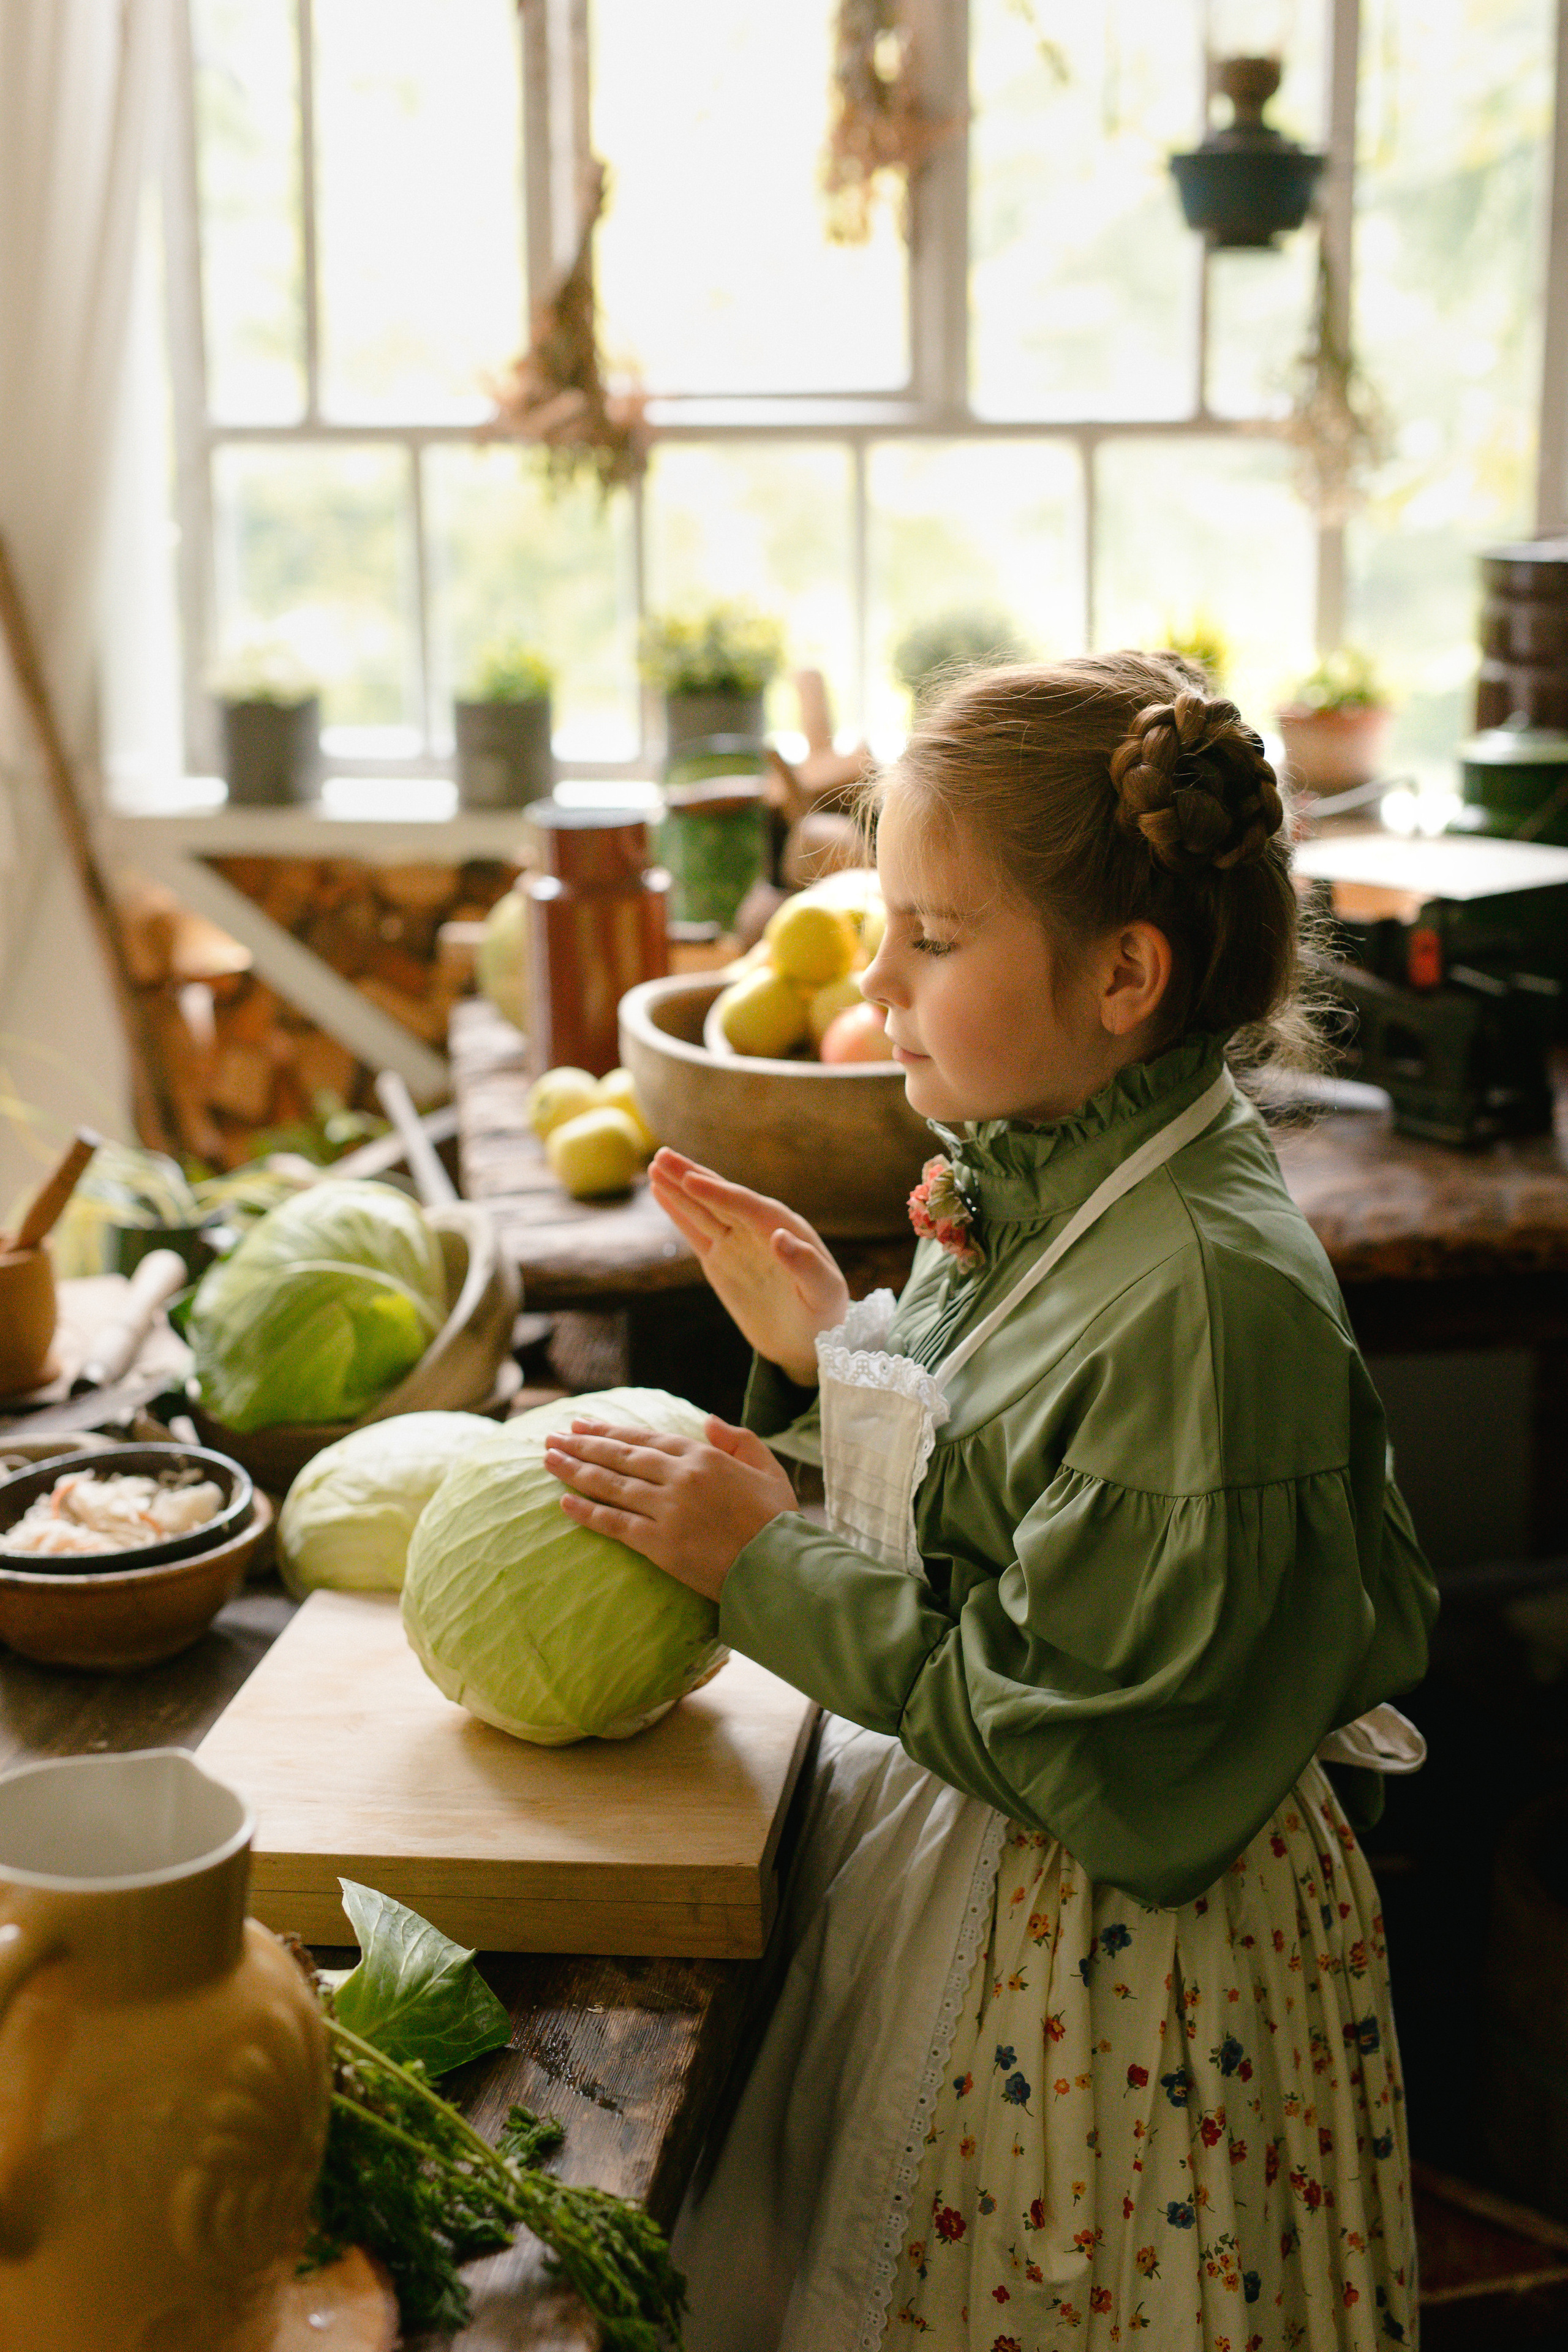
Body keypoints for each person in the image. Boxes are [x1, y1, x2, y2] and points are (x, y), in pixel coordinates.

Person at [543, 651, 1438, 2352]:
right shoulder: (1057, 1156)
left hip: (1120, 2000)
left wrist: (768, 1562)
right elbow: (1016, 1490)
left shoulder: (1207, 1299)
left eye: (931, 941)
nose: (879, 982)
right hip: (1004, 1893)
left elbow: (1086, 1737)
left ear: (1123, 973)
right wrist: (839, 1358)